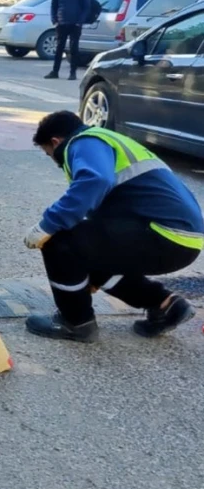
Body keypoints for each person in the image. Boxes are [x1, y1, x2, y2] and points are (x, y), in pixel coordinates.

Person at [23, 111, 202, 342]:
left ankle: (75, 322)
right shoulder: (108, 140)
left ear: (56, 142)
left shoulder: (84, 142)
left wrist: (48, 224)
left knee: (60, 241)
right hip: (181, 240)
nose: (56, 161)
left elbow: (95, 180)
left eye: (50, 154)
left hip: (163, 234)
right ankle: (166, 306)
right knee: (87, 251)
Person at [46, 0, 90, 81]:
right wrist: (54, 21)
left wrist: (79, 22)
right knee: (59, 48)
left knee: (73, 49)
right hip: (61, 24)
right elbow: (53, 6)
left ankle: (72, 73)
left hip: (75, 24)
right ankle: (55, 71)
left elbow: (86, 7)